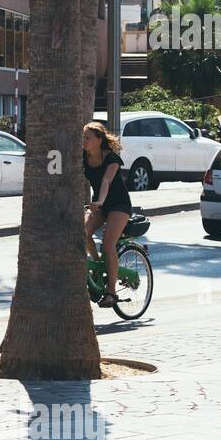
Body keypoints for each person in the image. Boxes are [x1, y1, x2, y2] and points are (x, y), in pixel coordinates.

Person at [82, 120, 133, 308]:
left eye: (87, 137)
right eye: (83, 137)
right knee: (84, 234)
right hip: (100, 206)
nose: (84, 141)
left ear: (99, 140)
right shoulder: (83, 157)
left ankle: (111, 292)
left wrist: (100, 201)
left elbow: (106, 181)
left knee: (108, 243)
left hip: (118, 205)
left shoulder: (111, 158)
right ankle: (97, 265)